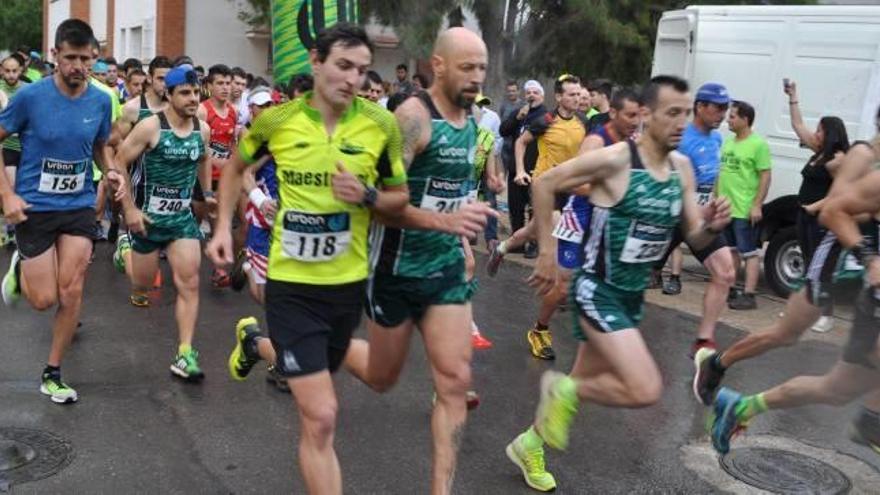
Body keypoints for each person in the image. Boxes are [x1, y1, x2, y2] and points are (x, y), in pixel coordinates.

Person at [206, 24, 413, 494]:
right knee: (321, 417)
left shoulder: (381, 127)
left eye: (362, 70)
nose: (353, 79)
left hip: (346, 286)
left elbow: (400, 198)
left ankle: (256, 343)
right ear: (317, 62)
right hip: (291, 285)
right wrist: (222, 227)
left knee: (346, 369)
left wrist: (367, 194)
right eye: (343, 66)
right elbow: (236, 166)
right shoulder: (277, 122)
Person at [503, 75, 730, 492]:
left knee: (578, 390)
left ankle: (529, 444)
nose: (682, 122)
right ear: (645, 115)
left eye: (686, 112)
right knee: (644, 388)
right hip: (596, 290)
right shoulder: (615, 160)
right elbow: (545, 182)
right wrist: (549, 253)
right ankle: (559, 390)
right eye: (672, 113)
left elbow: (695, 236)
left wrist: (713, 226)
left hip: (630, 297)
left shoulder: (682, 168)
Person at [342, 27, 496, 495]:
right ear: (439, 65)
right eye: (467, 67)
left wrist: (459, 231)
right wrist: (445, 222)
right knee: (381, 378)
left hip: (445, 270)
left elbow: (451, 195)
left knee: (454, 381)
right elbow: (377, 201)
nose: (476, 77)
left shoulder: (474, 121)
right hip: (394, 269)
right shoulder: (412, 118)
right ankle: (319, 341)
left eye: (482, 68)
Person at [696, 114, 880, 451]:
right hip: (830, 250)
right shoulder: (864, 156)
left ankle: (738, 401)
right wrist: (864, 233)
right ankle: (716, 363)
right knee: (786, 334)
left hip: (844, 253)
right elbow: (837, 206)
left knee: (832, 383)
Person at [0, 18, 126, 404]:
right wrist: (6, 196)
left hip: (78, 205)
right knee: (43, 300)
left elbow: (101, 144)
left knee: (72, 292)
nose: (78, 66)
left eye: (85, 59)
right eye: (70, 57)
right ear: (55, 56)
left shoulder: (101, 100)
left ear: (94, 58)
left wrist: (111, 171)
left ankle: (53, 372)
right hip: (35, 207)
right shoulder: (29, 97)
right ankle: (22, 266)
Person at [114, 66, 212, 380]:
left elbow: (204, 159)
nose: (192, 98)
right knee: (142, 285)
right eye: (184, 92)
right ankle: (125, 252)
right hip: (147, 218)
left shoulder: (202, 129)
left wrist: (206, 193)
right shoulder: (150, 127)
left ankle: (185, 352)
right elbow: (118, 162)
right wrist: (128, 208)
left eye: (196, 92)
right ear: (167, 94)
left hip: (181, 220)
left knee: (190, 282)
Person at [491, 75, 588, 360]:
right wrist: (520, 170)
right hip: (546, 188)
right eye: (570, 94)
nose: (576, 99)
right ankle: (541, 328)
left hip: (573, 191)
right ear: (559, 97)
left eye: (578, 94)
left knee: (532, 230)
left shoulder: (584, 124)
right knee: (556, 241)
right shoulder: (545, 120)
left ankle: (502, 247)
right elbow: (521, 142)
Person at [655, 82, 737, 355]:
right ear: (700, 107)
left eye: (727, 108)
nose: (723, 114)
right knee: (639, 275)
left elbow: (710, 179)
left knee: (725, 272)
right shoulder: (681, 138)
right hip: (670, 215)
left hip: (700, 217)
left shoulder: (716, 139)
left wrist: (712, 204)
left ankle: (704, 340)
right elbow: (662, 182)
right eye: (718, 107)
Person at [785, 79, 850, 332]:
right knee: (810, 264)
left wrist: (815, 207)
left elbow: (841, 193)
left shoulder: (838, 160)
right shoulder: (818, 152)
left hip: (822, 219)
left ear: (831, 133)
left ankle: (827, 314)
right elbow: (797, 125)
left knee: (821, 268)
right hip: (805, 215)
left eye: (821, 130)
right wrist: (793, 96)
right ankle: (805, 311)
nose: (816, 133)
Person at [717, 100, 772, 310]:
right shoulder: (729, 142)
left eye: (732, 116)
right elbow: (721, 173)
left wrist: (757, 204)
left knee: (749, 253)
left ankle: (749, 295)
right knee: (731, 252)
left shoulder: (758, 145)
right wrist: (716, 198)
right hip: (726, 209)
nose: (728, 120)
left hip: (744, 210)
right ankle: (731, 290)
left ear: (745, 119)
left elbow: (765, 176)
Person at [197, 64, 238, 288]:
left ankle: (218, 269)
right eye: (220, 83)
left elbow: (231, 144)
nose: (225, 87)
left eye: (227, 83)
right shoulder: (203, 111)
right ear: (210, 86)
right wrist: (215, 160)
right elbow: (197, 145)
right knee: (193, 221)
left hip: (222, 179)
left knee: (218, 220)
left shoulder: (233, 111)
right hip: (201, 177)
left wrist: (231, 164)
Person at [499, 80, 547, 255]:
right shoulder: (519, 113)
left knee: (534, 208)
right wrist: (516, 117)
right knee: (515, 208)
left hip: (536, 168)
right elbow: (503, 131)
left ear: (542, 95)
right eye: (528, 93)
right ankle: (517, 242)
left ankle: (533, 244)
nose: (531, 95)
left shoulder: (546, 115)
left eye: (535, 92)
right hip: (515, 168)